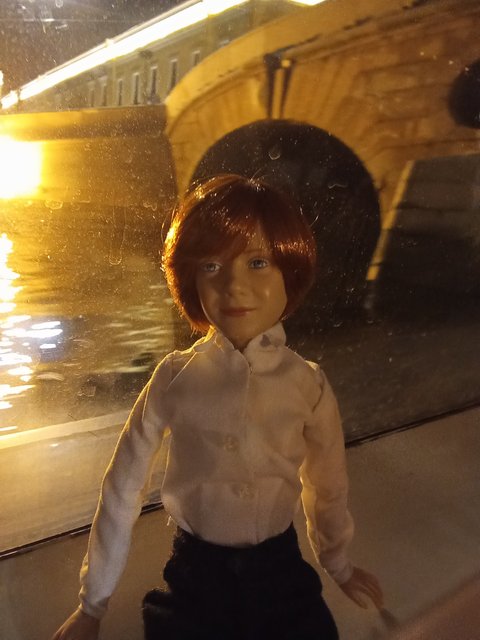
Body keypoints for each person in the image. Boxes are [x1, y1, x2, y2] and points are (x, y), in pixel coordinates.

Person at [52, 174, 383, 640]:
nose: (233, 285)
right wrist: (93, 602)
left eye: (258, 262)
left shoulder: (307, 384)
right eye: (211, 266)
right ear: (190, 277)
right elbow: (123, 486)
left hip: (280, 572)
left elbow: (327, 484)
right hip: (196, 577)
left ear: (290, 270)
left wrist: (338, 561)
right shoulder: (174, 377)